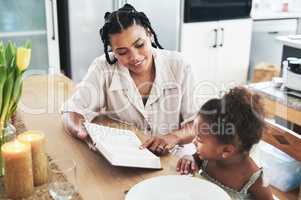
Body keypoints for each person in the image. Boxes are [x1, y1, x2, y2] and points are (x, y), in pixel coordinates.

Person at [61, 4, 198, 155]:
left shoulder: (179, 66)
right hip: (128, 157)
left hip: (175, 158)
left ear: (149, 34)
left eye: (139, 45)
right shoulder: (103, 68)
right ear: (112, 51)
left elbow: (195, 124)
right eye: (122, 52)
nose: (134, 57)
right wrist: (81, 132)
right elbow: (72, 110)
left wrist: (172, 137)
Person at [176, 87, 273, 200]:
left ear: (226, 150)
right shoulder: (207, 157)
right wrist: (190, 159)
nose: (193, 142)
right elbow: (194, 159)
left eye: (199, 139)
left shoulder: (256, 181)